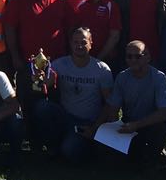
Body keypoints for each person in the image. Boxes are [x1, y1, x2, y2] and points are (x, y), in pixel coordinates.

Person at [41, 27, 114, 162]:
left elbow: (110, 104)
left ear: (91, 43)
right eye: (76, 42)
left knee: (70, 151)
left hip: (87, 122)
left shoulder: (102, 69)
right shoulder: (59, 64)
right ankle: (52, 147)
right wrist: (43, 81)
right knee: (42, 107)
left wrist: (94, 128)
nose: (79, 46)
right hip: (65, 117)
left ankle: (86, 146)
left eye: (83, 42)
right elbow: (45, 84)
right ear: (70, 44)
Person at [99, 41, 166, 168]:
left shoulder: (159, 78)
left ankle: (150, 161)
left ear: (148, 57)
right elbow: (113, 108)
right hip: (128, 125)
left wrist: (137, 125)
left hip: (150, 125)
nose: (133, 60)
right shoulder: (122, 77)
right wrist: (114, 126)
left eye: (138, 56)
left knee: (160, 130)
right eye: (129, 56)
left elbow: (164, 112)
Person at [3, 0, 73, 77]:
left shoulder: (61, 0)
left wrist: (69, 56)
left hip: (57, 62)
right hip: (27, 62)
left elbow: (71, 29)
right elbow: (10, 29)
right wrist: (15, 57)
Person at [72, 0, 120, 66]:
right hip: (84, 58)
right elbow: (74, 32)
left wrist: (99, 59)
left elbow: (114, 36)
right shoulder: (82, 6)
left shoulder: (111, 6)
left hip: (106, 60)